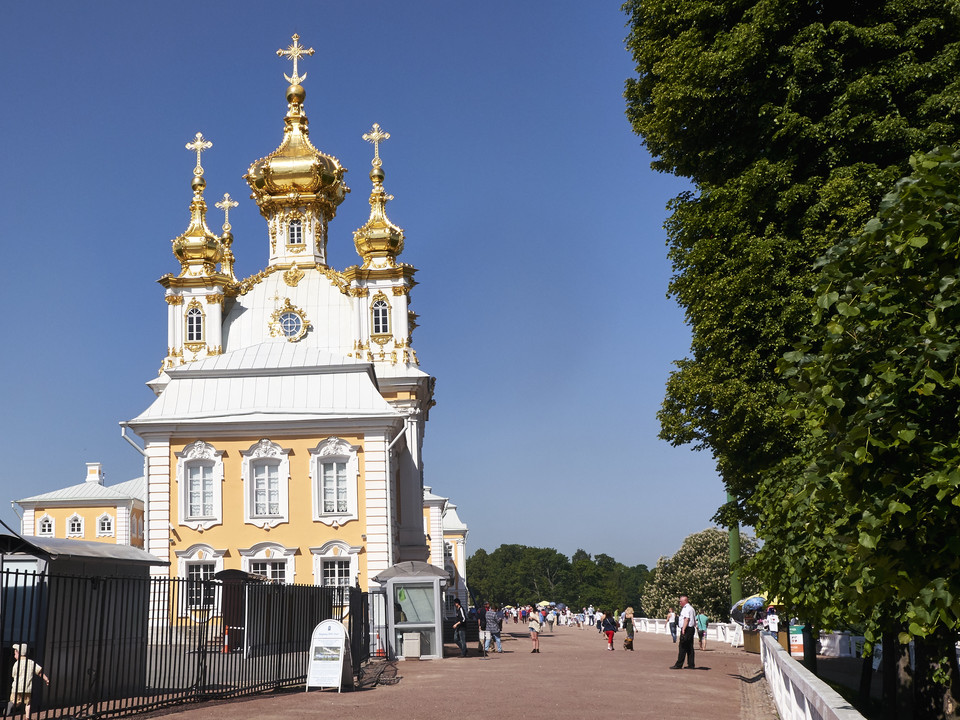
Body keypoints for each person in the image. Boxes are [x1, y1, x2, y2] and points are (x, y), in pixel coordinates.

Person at [7, 643, 49, 720]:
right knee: (28, 703)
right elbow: (39, 672)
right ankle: (27, 717)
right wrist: (46, 679)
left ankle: (10, 705)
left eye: (15, 654)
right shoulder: (31, 663)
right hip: (27, 688)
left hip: (17, 688)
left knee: (15, 702)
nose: (14, 656)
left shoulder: (16, 664)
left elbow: (13, 675)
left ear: (18, 653)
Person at [670, 595, 697, 669]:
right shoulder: (692, 608)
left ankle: (679, 664)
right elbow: (693, 620)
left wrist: (683, 629)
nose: (680, 603)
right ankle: (691, 664)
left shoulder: (686, 609)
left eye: (681, 601)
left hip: (687, 629)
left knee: (682, 646)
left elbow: (686, 619)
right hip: (691, 629)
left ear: (685, 601)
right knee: (690, 647)